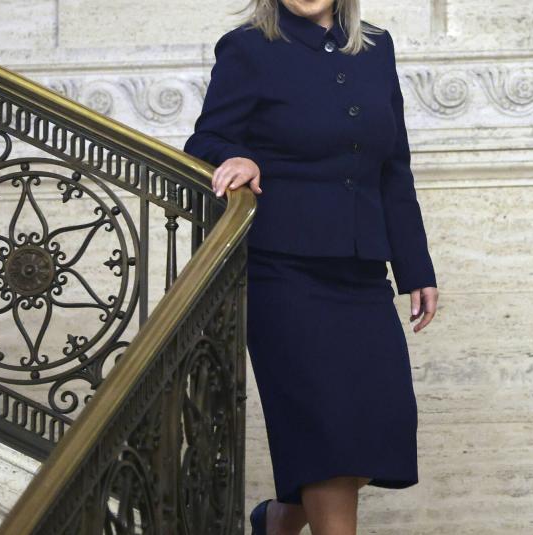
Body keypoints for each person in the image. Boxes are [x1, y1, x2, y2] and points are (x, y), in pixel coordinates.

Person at [182, 1, 440, 533]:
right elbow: (206, 140)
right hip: (284, 273)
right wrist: (237, 156)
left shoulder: (376, 47)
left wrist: (416, 267)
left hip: (362, 271)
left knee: (372, 430)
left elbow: (394, 167)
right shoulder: (248, 48)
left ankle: (275, 522)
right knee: (328, 444)